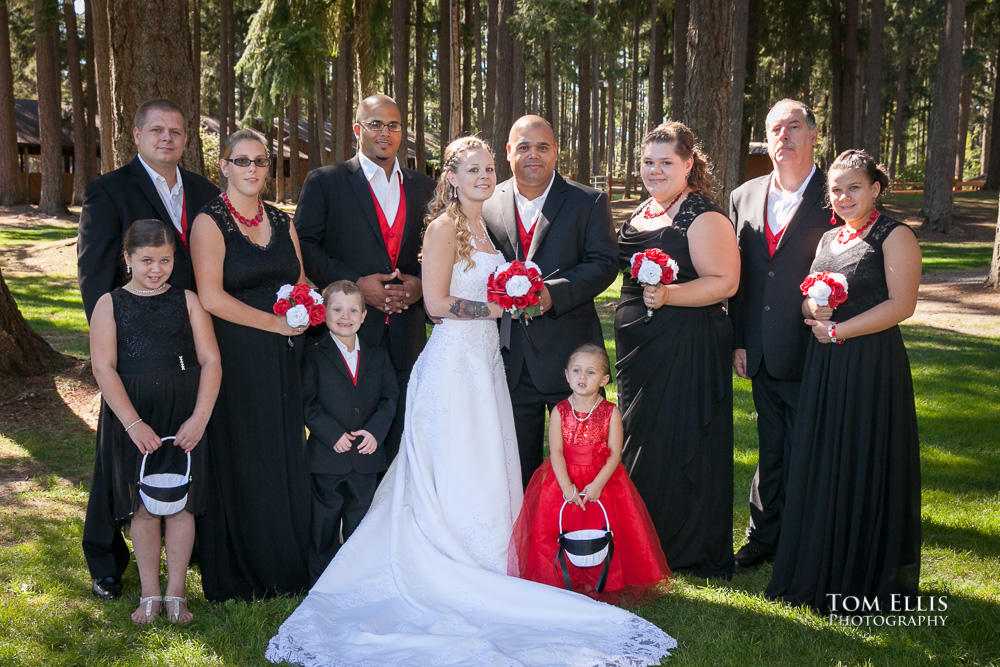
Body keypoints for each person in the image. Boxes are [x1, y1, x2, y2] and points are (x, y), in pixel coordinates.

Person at [266, 137, 676, 666]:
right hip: (453, 366)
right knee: (458, 464)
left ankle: (494, 557)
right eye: (473, 169)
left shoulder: (486, 227)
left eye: (488, 168)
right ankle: (455, 558)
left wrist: (509, 300)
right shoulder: (444, 228)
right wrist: (502, 304)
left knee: (489, 462)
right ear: (451, 177)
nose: (485, 176)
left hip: (485, 364)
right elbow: (435, 304)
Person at [766, 149, 921, 614]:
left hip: (870, 365)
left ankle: (862, 574)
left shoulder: (896, 236)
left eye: (854, 187)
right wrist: (816, 312)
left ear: (876, 189)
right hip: (826, 365)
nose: (844, 196)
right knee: (822, 460)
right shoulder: (829, 239)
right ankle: (817, 567)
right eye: (836, 188)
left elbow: (902, 306)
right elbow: (806, 301)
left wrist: (839, 330)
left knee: (861, 457)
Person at [77, 97, 218, 601]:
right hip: (132, 346)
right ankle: (106, 559)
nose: (166, 138)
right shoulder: (108, 190)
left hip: (189, 336)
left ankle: (193, 553)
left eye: (176, 132)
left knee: (186, 454)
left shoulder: (204, 191)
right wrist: (113, 335)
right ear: (135, 135)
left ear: (185, 140)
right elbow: (95, 275)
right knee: (116, 460)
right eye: (156, 130)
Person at [190, 128, 312, 601]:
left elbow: (299, 277)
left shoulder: (283, 221)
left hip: (285, 355)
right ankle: (241, 570)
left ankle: (287, 563)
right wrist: (276, 324)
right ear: (224, 166)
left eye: (260, 161)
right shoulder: (210, 221)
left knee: (283, 453)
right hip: (236, 356)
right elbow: (211, 297)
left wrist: (308, 306)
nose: (252, 170)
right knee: (246, 455)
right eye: (242, 161)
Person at [615, 121, 740, 580]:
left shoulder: (702, 216)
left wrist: (669, 296)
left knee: (678, 440)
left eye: (666, 162)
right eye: (648, 162)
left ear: (689, 164)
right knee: (640, 438)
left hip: (685, 343)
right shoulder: (643, 210)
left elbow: (725, 281)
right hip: (640, 349)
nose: (655, 170)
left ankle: (685, 547)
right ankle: (645, 536)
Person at [88, 219, 221, 624]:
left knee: (181, 504)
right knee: (143, 506)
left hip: (183, 416)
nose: (156, 269)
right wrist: (133, 424)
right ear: (127, 259)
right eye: (146, 260)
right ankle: (149, 593)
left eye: (164, 259)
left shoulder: (188, 300)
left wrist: (199, 419)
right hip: (134, 418)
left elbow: (211, 361)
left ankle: (176, 593)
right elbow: (103, 367)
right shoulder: (109, 303)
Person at [294, 94, 435, 463]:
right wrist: (355, 286)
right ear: (358, 129)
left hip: (406, 330)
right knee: (350, 437)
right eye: (375, 124)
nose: (385, 132)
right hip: (348, 331)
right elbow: (305, 246)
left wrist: (421, 284)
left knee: (402, 426)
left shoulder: (423, 187)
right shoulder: (325, 181)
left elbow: (440, 249)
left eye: (394, 125)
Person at [482, 115, 619, 489]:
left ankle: (581, 537)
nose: (533, 155)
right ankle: (528, 541)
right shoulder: (487, 202)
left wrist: (551, 293)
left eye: (543, 147)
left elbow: (604, 264)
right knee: (515, 469)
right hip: (510, 361)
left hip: (572, 358)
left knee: (584, 461)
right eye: (524, 146)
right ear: (508, 152)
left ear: (556, 152)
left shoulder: (588, 201)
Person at [729, 99, 835, 571]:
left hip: (817, 345)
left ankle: (811, 538)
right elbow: (743, 277)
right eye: (775, 128)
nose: (784, 136)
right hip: (762, 347)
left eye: (794, 126)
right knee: (771, 446)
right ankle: (763, 536)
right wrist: (738, 339)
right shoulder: (744, 195)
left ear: (814, 135)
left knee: (815, 444)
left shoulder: (837, 195)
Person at [509, 343, 672, 606]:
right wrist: (566, 487)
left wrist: (596, 485)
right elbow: (557, 452)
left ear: (604, 379)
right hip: (563, 480)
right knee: (560, 529)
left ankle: (602, 578)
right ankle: (562, 579)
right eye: (576, 371)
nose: (582, 377)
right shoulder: (560, 411)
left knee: (602, 528)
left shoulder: (611, 412)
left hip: (602, 481)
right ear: (566, 375)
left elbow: (615, 453)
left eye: (591, 372)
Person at [302, 280, 399, 584]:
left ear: (364, 315)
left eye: (353, 310)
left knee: (361, 518)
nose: (345, 316)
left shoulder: (378, 356)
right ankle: (322, 580)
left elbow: (389, 397)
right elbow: (308, 402)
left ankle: (356, 577)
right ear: (324, 313)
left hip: (367, 456)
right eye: (337, 309)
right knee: (325, 520)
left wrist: (375, 432)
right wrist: (332, 435)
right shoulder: (314, 355)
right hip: (328, 457)